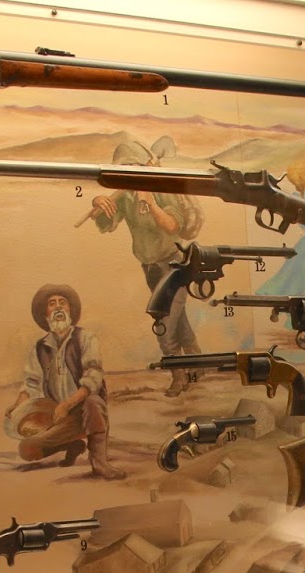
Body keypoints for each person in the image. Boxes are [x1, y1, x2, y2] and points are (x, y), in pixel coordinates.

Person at [89, 136, 203, 395]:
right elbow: (106, 224)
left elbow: (173, 226)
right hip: (150, 268)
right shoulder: (125, 196)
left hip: (175, 267)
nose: (127, 172)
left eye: (131, 166)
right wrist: (98, 203)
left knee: (164, 324)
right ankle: (198, 364)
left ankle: (179, 376)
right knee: (179, 321)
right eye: (122, 168)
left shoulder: (161, 188)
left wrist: (150, 203)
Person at [5, 284, 124, 480]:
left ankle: (99, 463)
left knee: (93, 402)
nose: (58, 307)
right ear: (45, 313)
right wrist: (18, 406)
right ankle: (73, 445)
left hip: (86, 411)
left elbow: (93, 377)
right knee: (27, 449)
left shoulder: (85, 338)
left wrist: (68, 404)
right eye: (52, 304)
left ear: (70, 309)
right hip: (58, 416)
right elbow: (31, 383)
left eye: (63, 302)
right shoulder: (39, 348)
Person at [257, 162, 305, 297]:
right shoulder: (301, 197)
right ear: (303, 176)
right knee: (304, 277)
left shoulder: (303, 197)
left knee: (298, 276)